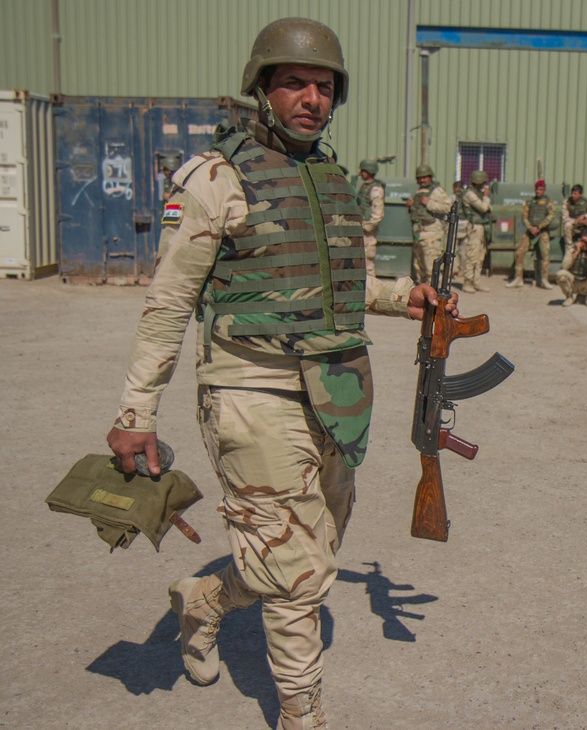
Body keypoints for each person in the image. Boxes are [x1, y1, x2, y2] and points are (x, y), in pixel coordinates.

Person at [105, 18, 457, 730]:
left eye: (324, 86)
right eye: (295, 82)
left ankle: (203, 601)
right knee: (299, 578)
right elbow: (170, 300)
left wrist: (402, 297)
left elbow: (332, 289)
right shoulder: (215, 180)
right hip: (250, 389)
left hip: (336, 392)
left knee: (311, 553)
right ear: (262, 88)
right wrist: (135, 412)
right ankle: (303, 717)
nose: (312, 98)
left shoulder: (331, 179)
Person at [405, 163, 450, 283]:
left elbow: (448, 208)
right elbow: (418, 212)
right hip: (418, 232)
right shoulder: (418, 191)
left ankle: (434, 294)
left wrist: (429, 203)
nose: (422, 180)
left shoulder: (437, 191)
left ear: (430, 177)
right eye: (420, 177)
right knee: (419, 267)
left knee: (431, 268)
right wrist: (411, 205)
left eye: (425, 177)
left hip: (431, 232)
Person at [507, 180, 554, 289]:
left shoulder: (548, 202)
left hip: (542, 232)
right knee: (519, 252)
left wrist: (539, 227)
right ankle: (518, 278)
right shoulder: (530, 202)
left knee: (544, 256)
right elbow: (524, 215)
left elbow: (551, 216)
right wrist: (530, 227)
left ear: (544, 190)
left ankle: (544, 280)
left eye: (540, 189)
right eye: (537, 189)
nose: (538, 191)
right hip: (530, 231)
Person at [457, 169, 492, 293]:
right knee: (472, 255)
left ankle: (476, 282)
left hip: (481, 226)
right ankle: (467, 282)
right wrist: (487, 197)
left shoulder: (478, 193)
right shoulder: (470, 194)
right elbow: (483, 208)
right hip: (474, 227)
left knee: (480, 256)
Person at [556, 228, 587, 306]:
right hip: (574, 280)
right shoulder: (573, 249)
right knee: (561, 274)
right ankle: (569, 296)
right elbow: (564, 266)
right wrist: (575, 253)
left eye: (586, 242)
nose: (583, 244)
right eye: (582, 241)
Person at [357, 159, 385, 279]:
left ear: (370, 171)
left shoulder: (375, 189)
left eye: (363, 171)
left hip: (367, 231)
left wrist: (366, 227)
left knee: (367, 263)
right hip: (361, 228)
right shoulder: (365, 186)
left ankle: (371, 291)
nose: (361, 173)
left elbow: (378, 213)